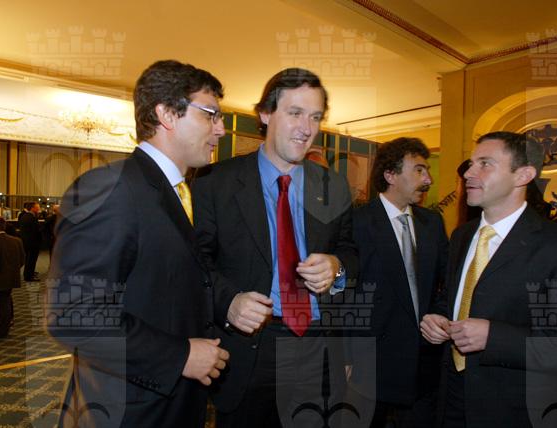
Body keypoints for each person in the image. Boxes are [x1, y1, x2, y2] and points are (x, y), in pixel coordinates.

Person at [47, 60, 230, 427]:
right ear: (167, 114)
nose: (221, 129)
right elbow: (73, 315)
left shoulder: (179, 192)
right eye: (210, 114)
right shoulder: (109, 187)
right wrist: (179, 356)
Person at [193, 68, 358, 428]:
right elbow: (196, 262)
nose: (306, 128)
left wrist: (337, 267)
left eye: (315, 117)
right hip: (250, 348)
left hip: (319, 347)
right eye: (295, 113)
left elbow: (351, 253)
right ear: (266, 113)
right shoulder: (214, 182)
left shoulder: (333, 186)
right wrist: (228, 301)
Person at [420, 131, 557, 427]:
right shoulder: (462, 235)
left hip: (517, 410)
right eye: (471, 164)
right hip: (451, 397)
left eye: (485, 164)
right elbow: (453, 298)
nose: (469, 173)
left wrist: (494, 337)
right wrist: (437, 318)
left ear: (523, 175)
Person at [349, 137, 448, 427]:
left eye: (427, 171)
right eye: (419, 170)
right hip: (372, 363)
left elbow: (448, 281)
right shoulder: (356, 223)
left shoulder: (432, 223)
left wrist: (439, 316)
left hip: (424, 363)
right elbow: (343, 294)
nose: (428, 179)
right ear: (390, 175)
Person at [18, 201, 41, 281]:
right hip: (32, 242)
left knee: (29, 260)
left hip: (27, 242)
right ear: (32, 208)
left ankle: (28, 274)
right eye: (37, 207)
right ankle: (29, 276)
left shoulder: (25, 216)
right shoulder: (31, 217)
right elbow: (35, 231)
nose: (39, 209)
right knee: (31, 260)